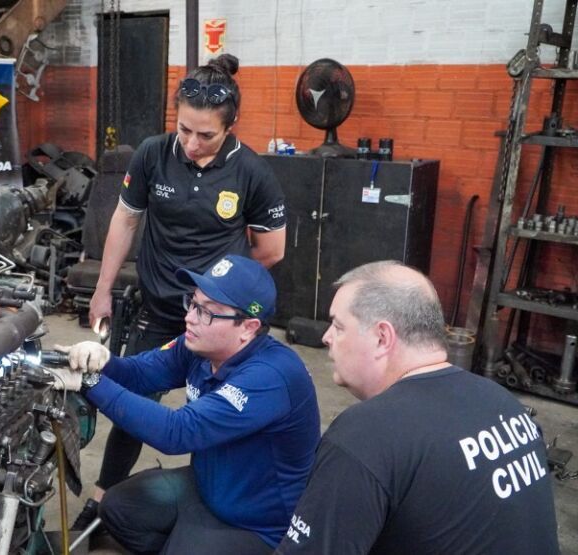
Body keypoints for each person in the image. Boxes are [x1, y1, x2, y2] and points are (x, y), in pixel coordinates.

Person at [76, 53, 287, 528]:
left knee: (213, 412)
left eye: (205, 134)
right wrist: (103, 289)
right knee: (133, 404)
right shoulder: (153, 153)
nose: (191, 143)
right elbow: (126, 219)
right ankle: (101, 496)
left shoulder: (251, 173)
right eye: (183, 129)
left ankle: (216, 500)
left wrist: (219, 291)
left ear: (231, 127)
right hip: (159, 307)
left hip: (220, 320)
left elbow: (271, 250)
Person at [275, 261, 560, 555]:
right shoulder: (503, 403)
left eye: (338, 326)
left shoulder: (366, 437)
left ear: (382, 337)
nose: (326, 337)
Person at [55, 254, 319, 554]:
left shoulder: (271, 377)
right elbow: (141, 373)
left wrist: (91, 383)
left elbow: (177, 432)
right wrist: (101, 363)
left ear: (248, 327)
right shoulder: (197, 345)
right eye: (193, 303)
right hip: (208, 487)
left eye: (207, 312)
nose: (190, 318)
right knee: (116, 508)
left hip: (258, 524)